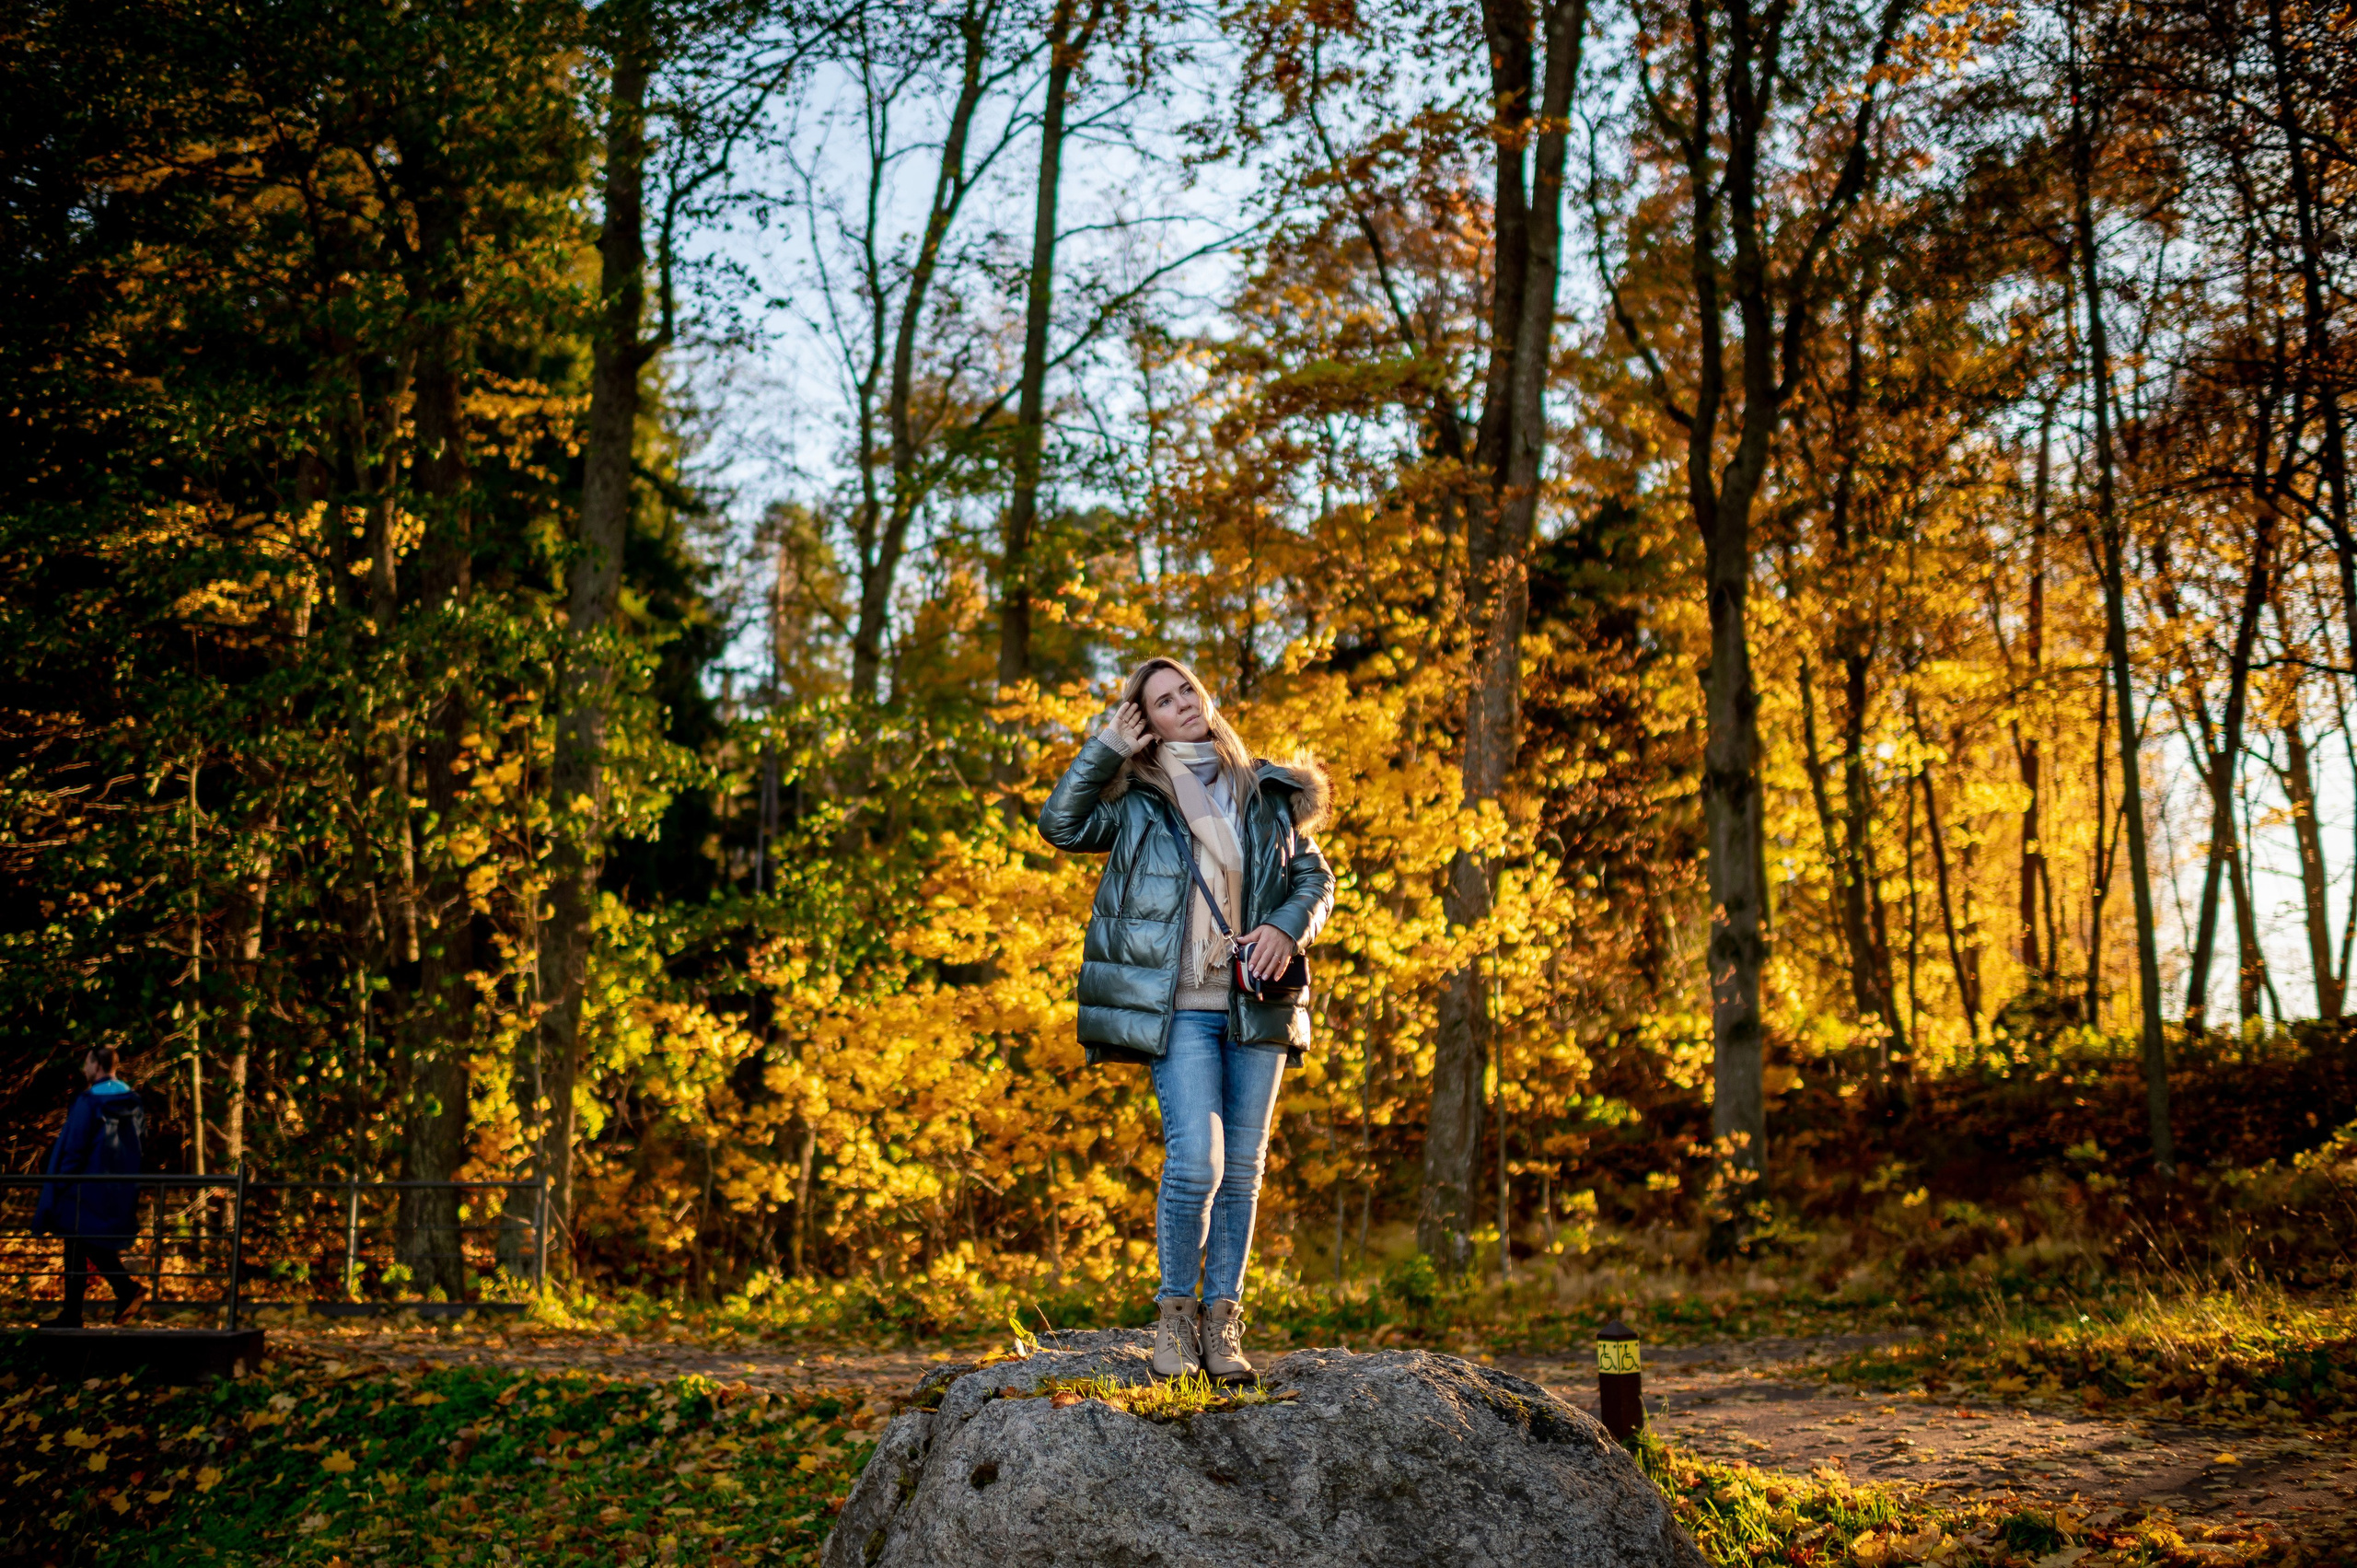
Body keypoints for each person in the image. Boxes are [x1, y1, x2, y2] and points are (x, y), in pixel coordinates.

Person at [1039, 656, 1335, 1381]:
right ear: (1147, 723)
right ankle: (1175, 1318)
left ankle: (1223, 1324)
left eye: (1186, 692)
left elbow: (1314, 877)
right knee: (1198, 1160)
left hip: (1257, 999)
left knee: (1243, 1169)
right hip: (1179, 1007)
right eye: (1163, 702)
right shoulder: (1137, 800)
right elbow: (1060, 824)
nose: (1182, 705)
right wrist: (1106, 747)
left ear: (1205, 697)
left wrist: (1286, 926)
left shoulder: (1263, 790)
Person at [34, 1045, 148, 1328]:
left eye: (87, 1063)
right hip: (117, 1185)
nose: (84, 1068)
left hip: (83, 1186)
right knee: (80, 1242)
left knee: (78, 1240)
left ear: (97, 1065)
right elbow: (140, 1142)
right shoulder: (133, 1101)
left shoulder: (88, 1101)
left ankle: (121, 1290)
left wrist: (60, 1183)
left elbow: (75, 1146)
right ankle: (79, 1311)